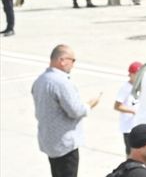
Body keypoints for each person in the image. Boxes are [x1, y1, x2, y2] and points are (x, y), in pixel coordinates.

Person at [31, 44, 101, 177]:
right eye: (72, 60)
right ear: (62, 60)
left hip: (50, 142)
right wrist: (90, 105)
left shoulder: (40, 80)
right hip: (65, 145)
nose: (73, 65)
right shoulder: (61, 82)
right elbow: (75, 111)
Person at [115, 61, 143, 155]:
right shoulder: (125, 88)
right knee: (131, 152)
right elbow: (117, 106)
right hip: (128, 127)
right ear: (130, 74)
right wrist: (133, 111)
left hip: (138, 125)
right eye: (137, 74)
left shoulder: (140, 87)